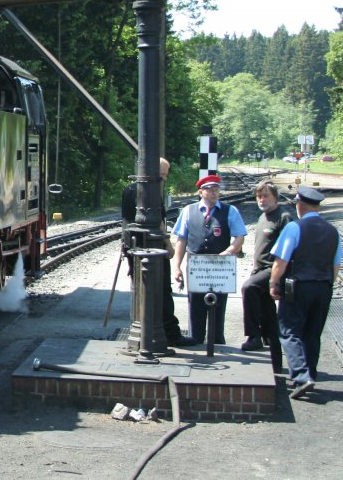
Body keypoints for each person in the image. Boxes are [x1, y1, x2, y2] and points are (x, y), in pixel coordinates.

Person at [269, 185, 342, 399]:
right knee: (313, 332)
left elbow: (280, 262)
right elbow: (336, 265)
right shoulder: (334, 232)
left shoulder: (294, 228)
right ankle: (311, 373)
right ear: (317, 207)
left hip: (298, 286)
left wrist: (273, 283)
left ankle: (302, 377)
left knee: (289, 331)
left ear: (299, 205)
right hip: (324, 287)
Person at [171, 174, 246, 344]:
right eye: (210, 190)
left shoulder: (230, 211)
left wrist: (229, 251)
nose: (214, 193)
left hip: (220, 266)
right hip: (196, 265)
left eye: (216, 190)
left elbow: (239, 237)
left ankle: (217, 339)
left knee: (218, 304)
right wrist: (177, 266)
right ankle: (195, 338)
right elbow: (181, 240)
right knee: (195, 303)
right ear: (201, 192)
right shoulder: (189, 211)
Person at [121, 158, 188, 346]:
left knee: (141, 290)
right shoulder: (147, 190)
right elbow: (156, 218)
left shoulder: (130, 189)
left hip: (134, 246)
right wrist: (168, 243)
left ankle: (144, 329)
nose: (165, 178)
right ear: (152, 171)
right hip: (150, 246)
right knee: (162, 291)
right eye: (163, 174)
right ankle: (169, 333)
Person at [240, 181, 292, 368]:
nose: (261, 200)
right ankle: (276, 364)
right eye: (259, 196)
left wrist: (277, 279)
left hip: (274, 269)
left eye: (266, 196)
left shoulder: (284, 217)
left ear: (275, 197)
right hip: (261, 269)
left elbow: (289, 249)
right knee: (269, 318)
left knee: (249, 287)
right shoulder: (263, 217)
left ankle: (254, 336)